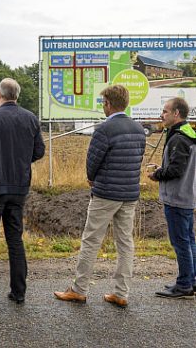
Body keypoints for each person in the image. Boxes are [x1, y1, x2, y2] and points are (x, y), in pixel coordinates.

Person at [54, 84, 146, 307]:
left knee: (91, 240)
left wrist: (92, 179)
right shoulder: (138, 128)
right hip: (130, 193)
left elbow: (92, 161)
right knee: (125, 243)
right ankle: (121, 292)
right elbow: (139, 158)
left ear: (108, 104)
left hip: (106, 193)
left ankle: (79, 289)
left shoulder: (104, 129)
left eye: (103, 103)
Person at [0, 78, 45, 306]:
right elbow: (39, 151)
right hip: (18, 187)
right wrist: (22, 160)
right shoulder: (30, 118)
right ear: (17, 96)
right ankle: (18, 291)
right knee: (15, 239)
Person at [147, 98, 196, 299]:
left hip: (177, 197)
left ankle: (184, 284)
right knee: (189, 240)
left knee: (181, 242)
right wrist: (163, 169)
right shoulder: (189, 134)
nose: (162, 114)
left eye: (165, 111)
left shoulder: (178, 138)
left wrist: (156, 175)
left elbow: (176, 170)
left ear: (176, 114)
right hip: (187, 195)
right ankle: (191, 280)